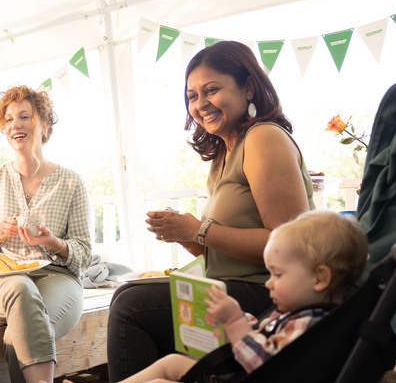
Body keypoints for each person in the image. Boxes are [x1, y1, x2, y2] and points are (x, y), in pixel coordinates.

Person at [107, 40, 315, 381]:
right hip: (230, 287)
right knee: (130, 293)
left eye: (212, 90)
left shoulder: (264, 138)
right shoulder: (223, 155)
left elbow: (288, 246)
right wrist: (187, 239)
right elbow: (225, 249)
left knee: (133, 306)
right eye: (192, 96)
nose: (200, 104)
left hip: (270, 295)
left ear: (248, 87)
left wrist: (196, 230)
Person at [119, 210, 368, 382]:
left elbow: (267, 367)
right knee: (172, 363)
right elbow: (266, 340)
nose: (269, 282)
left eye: (278, 275)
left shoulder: (312, 326)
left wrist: (236, 324)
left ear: (320, 278)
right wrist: (244, 322)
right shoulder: (298, 314)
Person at [0, 85, 92, 383]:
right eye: (9, 120)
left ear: (44, 124)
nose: (15, 125)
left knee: (19, 332)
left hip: (56, 278)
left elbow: (84, 255)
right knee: (20, 289)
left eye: (25, 116)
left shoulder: (71, 182)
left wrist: (52, 241)